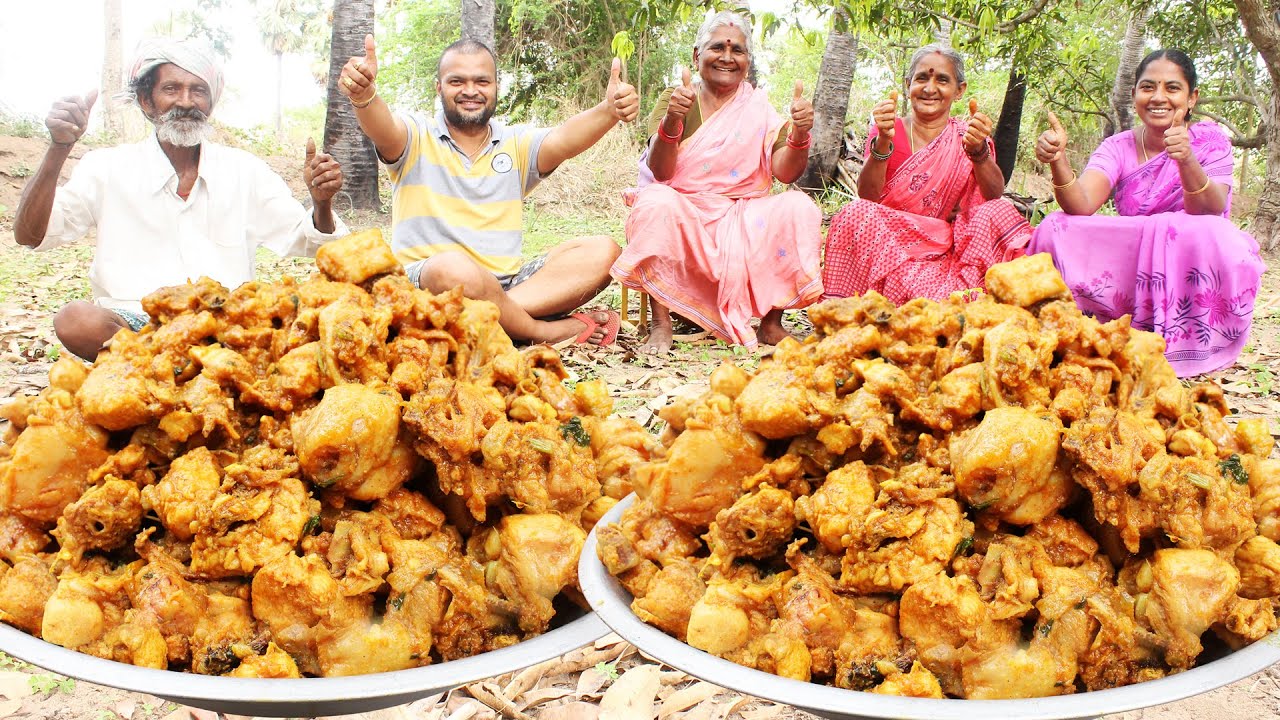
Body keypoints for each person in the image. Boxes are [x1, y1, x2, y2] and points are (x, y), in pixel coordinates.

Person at [14, 38, 346, 362]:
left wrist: (321, 203)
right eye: (171, 89)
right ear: (146, 100)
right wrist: (59, 148)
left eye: (198, 90)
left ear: (210, 103)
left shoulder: (245, 171)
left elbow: (309, 241)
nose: (186, 101)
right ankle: (180, 371)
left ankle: (171, 376)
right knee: (76, 321)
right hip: (135, 328)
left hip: (229, 330)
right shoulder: (107, 167)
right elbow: (30, 235)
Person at [338, 35, 637, 346]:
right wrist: (365, 96)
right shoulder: (414, 136)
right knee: (452, 268)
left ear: (495, 87)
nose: (470, 90)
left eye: (482, 81)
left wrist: (608, 110)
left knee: (603, 252)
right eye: (457, 81)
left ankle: (488, 318)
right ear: (439, 87)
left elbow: (563, 139)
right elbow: (383, 128)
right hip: (427, 285)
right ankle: (539, 332)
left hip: (509, 288)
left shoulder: (516, 144)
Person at [1028, 49, 1264, 377]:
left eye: (1172, 88)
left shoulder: (1211, 140)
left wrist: (1186, 160)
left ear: (1192, 97)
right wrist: (1058, 160)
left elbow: (1209, 209)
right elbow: (1080, 205)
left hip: (1191, 255)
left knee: (1215, 233)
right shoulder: (1118, 146)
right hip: (1131, 261)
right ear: (1135, 93)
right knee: (1055, 225)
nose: (1159, 97)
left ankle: (1187, 341)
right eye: (1148, 87)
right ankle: (1072, 320)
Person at [609, 11, 823, 355]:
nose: (727, 57)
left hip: (743, 216)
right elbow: (660, 171)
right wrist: (673, 120)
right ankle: (662, 325)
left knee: (798, 206)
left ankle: (771, 324)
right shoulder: (676, 98)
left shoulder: (759, 108)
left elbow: (786, 173)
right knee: (655, 201)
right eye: (717, 48)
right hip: (686, 213)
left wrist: (800, 134)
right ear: (697, 56)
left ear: (747, 62)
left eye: (737, 50)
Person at [821, 44, 1031, 305]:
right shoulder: (888, 129)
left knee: (998, 210)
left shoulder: (969, 135)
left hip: (950, 249)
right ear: (908, 84)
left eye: (942, 80)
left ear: (959, 91)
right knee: (854, 213)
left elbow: (992, 195)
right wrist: (884, 142)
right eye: (922, 78)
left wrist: (978, 152)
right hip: (891, 249)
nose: (930, 88)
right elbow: (868, 196)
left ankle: (968, 295)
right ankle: (854, 307)